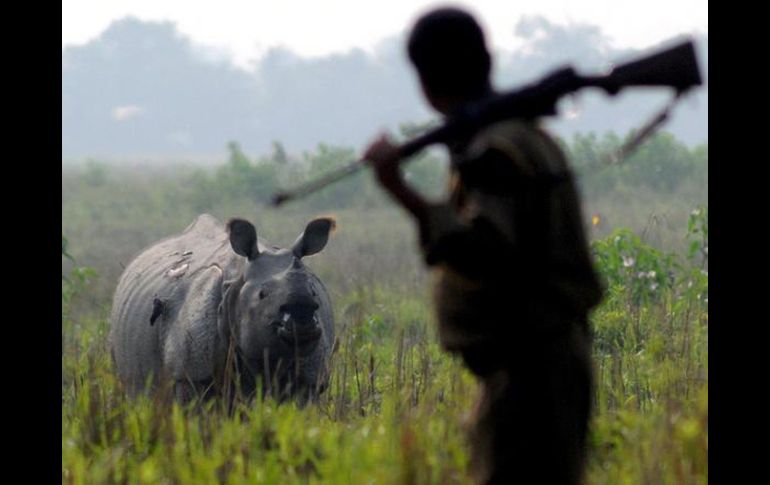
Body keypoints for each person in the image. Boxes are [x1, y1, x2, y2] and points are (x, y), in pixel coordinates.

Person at [363, 7, 604, 485]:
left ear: (427, 84)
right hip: (541, 362)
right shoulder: (525, 138)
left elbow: (487, 251)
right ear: (487, 60)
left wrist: (400, 190)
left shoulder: (496, 151)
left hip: (531, 369)